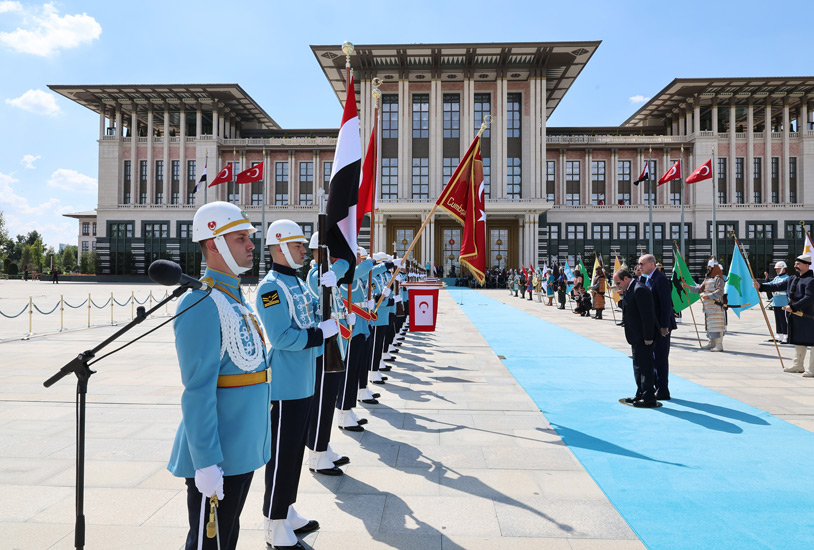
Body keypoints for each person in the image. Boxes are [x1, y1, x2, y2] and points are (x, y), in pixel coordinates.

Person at [168, 201, 270, 550]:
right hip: (220, 454)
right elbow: (197, 392)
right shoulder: (200, 303)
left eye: (249, 238)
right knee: (207, 544)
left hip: (242, 448)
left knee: (226, 540)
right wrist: (206, 461)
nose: (251, 245)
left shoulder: (236, 300)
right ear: (213, 243)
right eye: (241, 238)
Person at [256, 219, 339, 549]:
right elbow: (280, 336)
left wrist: (328, 291)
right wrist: (320, 334)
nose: (304, 250)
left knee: (293, 455)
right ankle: (273, 522)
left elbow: (313, 314)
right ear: (278, 248)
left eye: (303, 245)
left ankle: (287, 510)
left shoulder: (300, 284)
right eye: (297, 246)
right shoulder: (271, 288)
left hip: (305, 379)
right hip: (285, 385)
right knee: (282, 456)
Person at [754, 254, 814, 376]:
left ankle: (812, 369)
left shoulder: (811, 280)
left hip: (808, 316)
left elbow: (809, 298)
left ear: (807, 265)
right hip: (796, 315)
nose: (795, 266)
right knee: (799, 339)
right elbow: (777, 286)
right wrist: (761, 286)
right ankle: (798, 365)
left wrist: (793, 307)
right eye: (795, 264)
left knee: (812, 342)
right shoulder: (792, 278)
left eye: (798, 264)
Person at [613, 268, 659, 408]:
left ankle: (649, 398)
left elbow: (647, 316)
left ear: (626, 278)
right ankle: (640, 393)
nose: (617, 286)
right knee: (638, 367)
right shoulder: (630, 289)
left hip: (643, 337)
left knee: (646, 367)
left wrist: (648, 336)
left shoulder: (640, 289)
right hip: (635, 336)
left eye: (618, 282)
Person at [639, 254, 676, 399]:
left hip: (661, 325)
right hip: (653, 325)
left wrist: (665, 325)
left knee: (660, 358)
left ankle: (663, 390)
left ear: (651, 264)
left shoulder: (660, 279)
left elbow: (666, 304)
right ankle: (656, 386)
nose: (639, 267)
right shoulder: (648, 279)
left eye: (642, 264)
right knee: (654, 358)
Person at [683, 258, 727, 352]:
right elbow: (700, 289)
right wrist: (688, 287)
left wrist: (710, 296)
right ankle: (712, 343)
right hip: (708, 307)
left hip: (716, 306)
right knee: (710, 325)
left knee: (717, 325)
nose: (708, 268)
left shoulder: (718, 278)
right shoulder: (707, 279)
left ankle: (719, 345)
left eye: (710, 267)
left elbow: (720, 291)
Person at [764, 261, 790, 343]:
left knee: (784, 320)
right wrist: (759, 285)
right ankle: (779, 335)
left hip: (784, 302)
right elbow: (770, 284)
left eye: (778, 269)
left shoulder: (787, 278)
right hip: (776, 302)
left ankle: (786, 336)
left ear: (783, 268)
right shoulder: (776, 278)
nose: (776, 270)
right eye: (776, 269)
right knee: (778, 319)